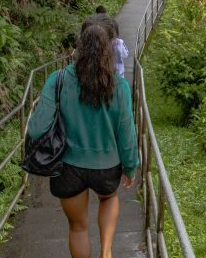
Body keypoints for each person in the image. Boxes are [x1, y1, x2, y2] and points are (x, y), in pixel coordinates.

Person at [27, 24, 138, 258]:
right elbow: (126, 132)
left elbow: (37, 130)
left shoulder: (57, 80)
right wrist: (130, 166)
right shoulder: (120, 88)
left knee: (78, 228)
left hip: (67, 167)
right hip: (107, 166)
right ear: (108, 51)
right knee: (109, 197)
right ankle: (106, 251)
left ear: (78, 49)